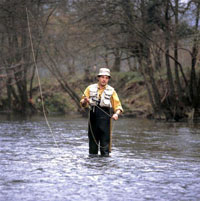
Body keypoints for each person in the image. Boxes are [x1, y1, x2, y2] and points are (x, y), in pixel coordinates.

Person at [80, 68, 123, 157]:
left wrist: (116, 114)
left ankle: (105, 167)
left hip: (105, 121)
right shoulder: (89, 88)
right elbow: (82, 104)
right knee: (92, 148)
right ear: (98, 78)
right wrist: (85, 101)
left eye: (106, 78)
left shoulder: (112, 91)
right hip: (93, 120)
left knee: (105, 149)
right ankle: (92, 167)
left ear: (108, 79)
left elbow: (118, 106)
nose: (104, 79)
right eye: (102, 77)